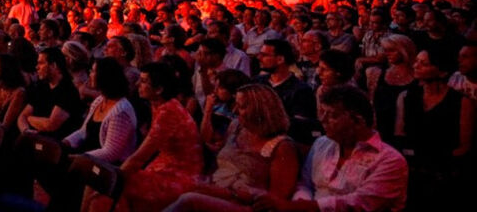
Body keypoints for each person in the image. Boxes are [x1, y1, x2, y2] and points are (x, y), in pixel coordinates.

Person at [253, 85, 407, 212]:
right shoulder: (322, 143)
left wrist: (302, 207)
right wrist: (302, 203)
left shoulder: (390, 160)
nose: (323, 120)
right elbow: (304, 183)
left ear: (358, 121)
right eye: (322, 113)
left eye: (332, 115)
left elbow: (360, 203)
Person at [166, 84, 298, 212]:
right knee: (174, 188)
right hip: (217, 190)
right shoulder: (236, 127)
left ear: (260, 111)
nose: (234, 110)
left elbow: (276, 200)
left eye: (241, 107)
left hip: (245, 203)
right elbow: (221, 158)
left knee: (189, 200)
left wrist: (235, 195)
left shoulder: (282, 146)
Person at [114, 62, 202, 212]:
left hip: (179, 174)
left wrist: (114, 177)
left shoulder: (168, 112)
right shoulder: (159, 105)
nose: (137, 84)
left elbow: (139, 158)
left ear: (159, 89)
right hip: (164, 165)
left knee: (115, 187)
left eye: (143, 81)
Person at [394, 49, 473, 208]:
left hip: (446, 168)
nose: (416, 66)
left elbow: (464, 146)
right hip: (412, 165)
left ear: (442, 71)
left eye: (424, 64)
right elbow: (400, 134)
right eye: (416, 61)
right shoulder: (406, 96)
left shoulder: (462, 102)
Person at [62, 57, 137, 164]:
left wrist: (79, 158)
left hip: (106, 167)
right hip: (88, 158)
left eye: (93, 71)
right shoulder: (100, 100)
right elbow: (84, 131)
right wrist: (65, 143)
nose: (90, 75)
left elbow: (111, 152)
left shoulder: (121, 111)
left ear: (104, 76)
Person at [17, 46, 83, 139]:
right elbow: (22, 116)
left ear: (54, 65)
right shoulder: (41, 87)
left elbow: (50, 125)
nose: (37, 67)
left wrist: (29, 118)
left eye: (41, 63)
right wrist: (26, 130)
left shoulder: (68, 91)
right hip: (33, 138)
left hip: (54, 144)